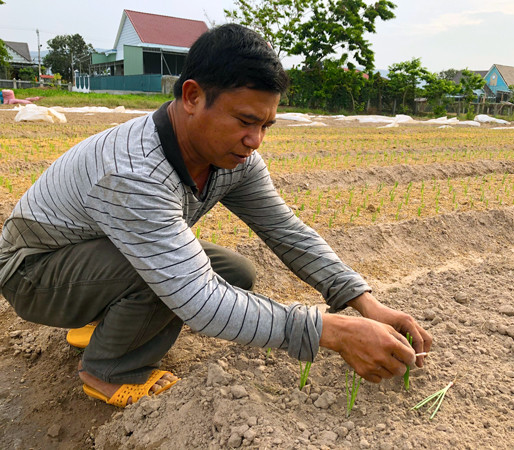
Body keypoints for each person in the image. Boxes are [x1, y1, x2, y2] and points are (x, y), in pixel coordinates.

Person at [0, 24, 432, 407]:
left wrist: (364, 302)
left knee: (234, 272)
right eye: (245, 120)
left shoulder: (234, 159)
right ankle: (107, 372)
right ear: (192, 96)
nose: (255, 140)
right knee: (171, 277)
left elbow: (286, 231)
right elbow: (199, 301)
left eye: (266, 125)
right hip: (32, 271)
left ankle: (102, 327)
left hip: (93, 257)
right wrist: (330, 331)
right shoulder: (133, 171)